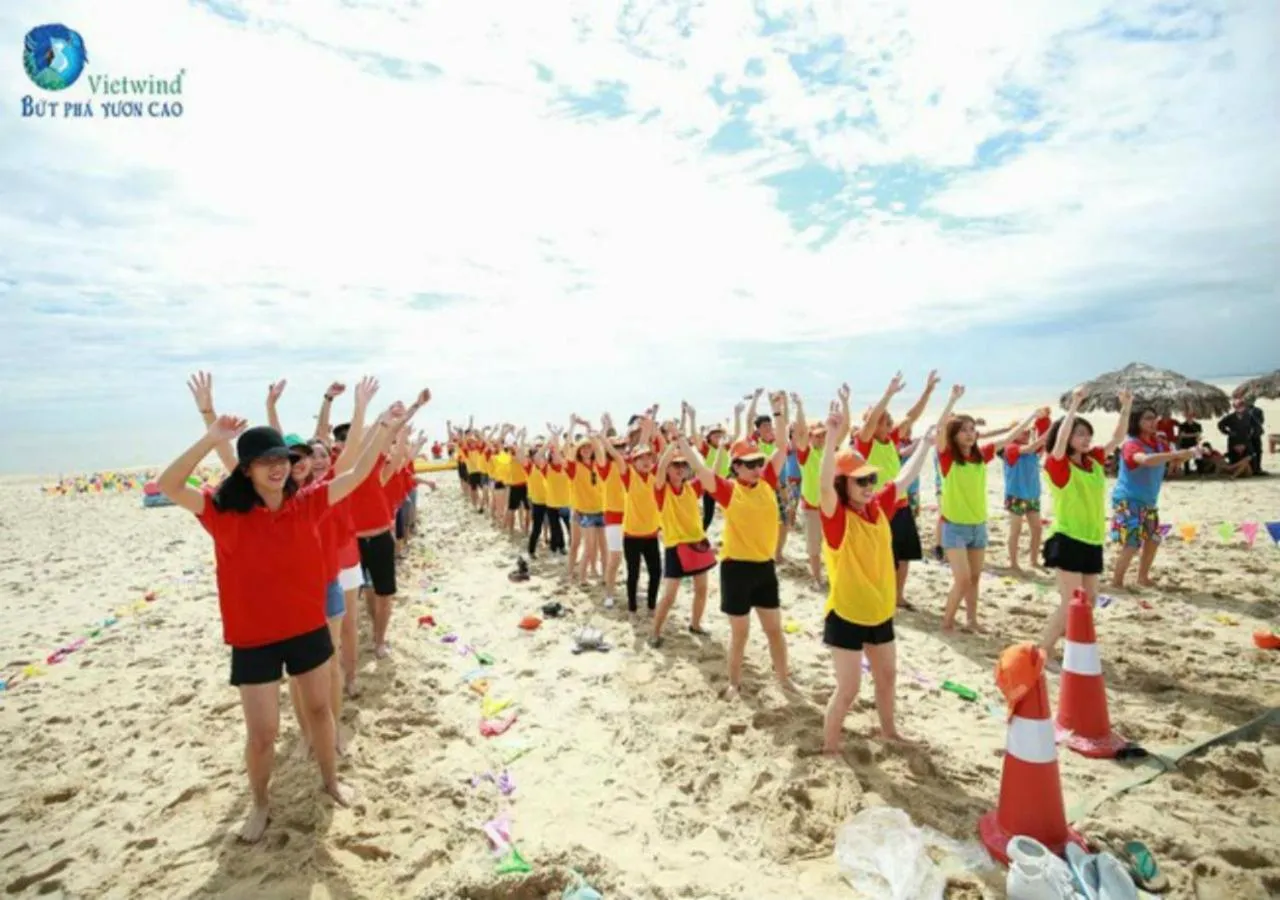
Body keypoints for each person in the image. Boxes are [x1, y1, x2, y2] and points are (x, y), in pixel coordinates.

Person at [156, 398, 413, 843]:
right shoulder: (223, 513)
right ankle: (259, 804)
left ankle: (331, 782)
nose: (277, 468)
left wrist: (385, 428)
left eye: (282, 459)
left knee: (319, 710)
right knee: (263, 733)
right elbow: (168, 484)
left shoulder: (307, 503)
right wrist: (213, 438)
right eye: (265, 461)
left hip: (307, 628)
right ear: (247, 469)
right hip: (254, 639)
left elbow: (353, 475)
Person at [817, 401, 936, 752]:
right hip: (847, 614)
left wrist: (926, 445)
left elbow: (904, 478)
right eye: (861, 480)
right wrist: (831, 441)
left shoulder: (878, 507)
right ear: (844, 485)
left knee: (887, 678)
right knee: (849, 689)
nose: (870, 484)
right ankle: (830, 748)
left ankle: (888, 731)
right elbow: (824, 488)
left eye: (871, 478)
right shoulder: (837, 520)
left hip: (880, 610)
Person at [678, 397, 795, 699]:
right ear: (737, 467)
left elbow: (782, 447)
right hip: (736, 570)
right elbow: (701, 470)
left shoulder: (768, 481)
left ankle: (784, 679)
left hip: (764, 568)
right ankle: (734, 682)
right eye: (751, 464)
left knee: (774, 631)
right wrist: (681, 441)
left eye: (759, 462)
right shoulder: (730, 491)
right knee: (740, 633)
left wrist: (780, 411)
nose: (758, 467)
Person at [935, 385, 1038, 632]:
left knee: (975, 578)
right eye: (963, 430)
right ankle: (947, 622)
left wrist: (1031, 417)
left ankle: (971, 620)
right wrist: (952, 400)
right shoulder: (948, 458)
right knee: (961, 579)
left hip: (978, 526)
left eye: (972, 429)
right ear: (954, 435)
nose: (970, 434)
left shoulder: (981, 456)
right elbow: (940, 429)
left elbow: (1009, 437)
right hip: (955, 527)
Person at [1040, 387, 1131, 656]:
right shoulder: (1058, 466)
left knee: (1089, 601)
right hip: (1067, 538)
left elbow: (1117, 437)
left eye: (1088, 433)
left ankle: (1071, 651)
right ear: (1066, 438)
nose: (1086, 438)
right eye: (1079, 434)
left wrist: (1126, 406)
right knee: (1071, 601)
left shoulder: (1093, 461)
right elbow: (1058, 447)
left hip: (1092, 539)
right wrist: (1074, 406)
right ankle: (1043, 652)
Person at [853, 370, 940, 609]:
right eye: (885, 420)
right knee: (883, 557)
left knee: (905, 555)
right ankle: (880, 594)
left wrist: (928, 391)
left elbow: (912, 416)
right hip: (879, 506)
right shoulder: (865, 441)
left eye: (889, 420)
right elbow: (871, 422)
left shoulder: (890, 439)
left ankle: (898, 596)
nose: (890, 423)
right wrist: (888, 394)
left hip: (901, 504)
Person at [1110, 405, 1200, 589]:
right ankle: (1116, 582)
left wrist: (1191, 453)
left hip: (1148, 501)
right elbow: (1145, 460)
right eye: (1148, 418)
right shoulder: (1131, 444)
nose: (1153, 421)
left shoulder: (1159, 443)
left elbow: (1173, 460)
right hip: (1127, 500)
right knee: (1132, 543)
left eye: (1154, 417)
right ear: (1137, 422)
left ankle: (1142, 578)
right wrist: (1175, 453)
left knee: (1153, 539)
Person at [648, 431, 715, 645]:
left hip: (697, 542)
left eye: (682, 466)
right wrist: (672, 444)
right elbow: (659, 468)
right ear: (668, 470)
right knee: (669, 596)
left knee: (702, 589)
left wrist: (686, 446)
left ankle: (695, 624)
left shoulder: (693, 487)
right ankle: (655, 632)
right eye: (675, 466)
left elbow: (702, 468)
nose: (679, 469)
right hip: (675, 546)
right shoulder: (661, 490)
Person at [599, 418, 663, 617]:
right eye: (641, 459)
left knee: (654, 572)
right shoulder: (625, 471)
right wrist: (602, 436)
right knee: (620, 563)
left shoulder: (651, 472)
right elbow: (615, 456)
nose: (646, 461)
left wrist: (649, 428)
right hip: (621, 523)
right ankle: (615, 597)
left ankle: (651, 606)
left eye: (623, 446)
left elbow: (646, 448)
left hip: (646, 529)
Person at [999, 408, 1051, 572]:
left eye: (1028, 432)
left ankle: (1034, 560)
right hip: (1016, 496)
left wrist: (1044, 419)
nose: (1027, 434)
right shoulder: (1010, 448)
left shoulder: (1033, 450)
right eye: (1023, 432)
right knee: (1016, 531)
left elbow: (1039, 443)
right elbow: (1031, 447)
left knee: (1037, 529)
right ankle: (1013, 563)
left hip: (1032, 495)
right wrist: (1046, 434)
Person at [1217, 398, 1261, 473]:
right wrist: (1227, 432)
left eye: (1241, 406)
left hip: (1246, 440)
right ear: (1234, 407)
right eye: (1237, 406)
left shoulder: (1249, 416)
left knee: (1251, 455)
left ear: (1244, 406)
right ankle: (1233, 469)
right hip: (1233, 440)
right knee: (1233, 456)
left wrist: (1252, 435)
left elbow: (1257, 426)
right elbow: (1220, 424)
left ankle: (1254, 470)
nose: (1239, 408)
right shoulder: (1230, 417)